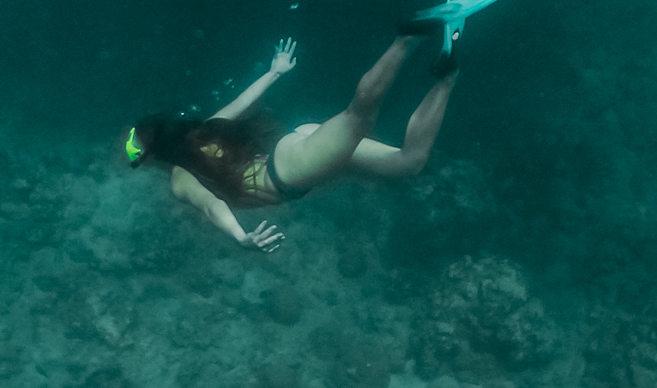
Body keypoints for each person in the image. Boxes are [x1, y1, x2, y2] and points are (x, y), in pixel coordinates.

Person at [126, 33, 457, 253]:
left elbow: (213, 206)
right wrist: (275, 72)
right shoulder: (201, 130)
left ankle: (406, 39)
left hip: (288, 170)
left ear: (157, 154)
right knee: (409, 162)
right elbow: (241, 101)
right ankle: (448, 72)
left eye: (141, 154)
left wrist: (241, 237)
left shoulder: (180, 178)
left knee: (359, 117)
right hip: (297, 152)